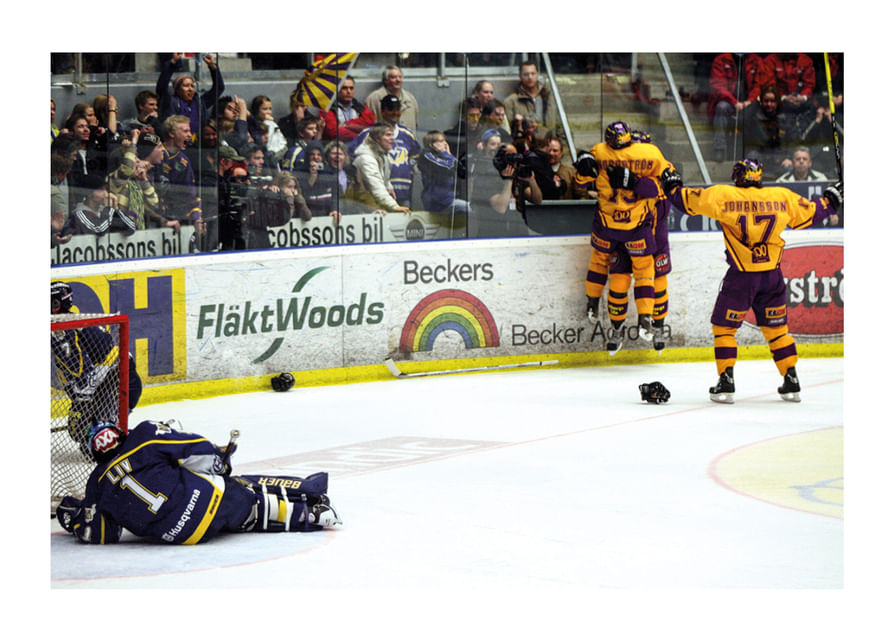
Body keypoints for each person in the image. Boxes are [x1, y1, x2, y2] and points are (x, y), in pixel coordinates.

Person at [660, 158, 842, 403]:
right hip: (772, 276)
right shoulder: (781, 195)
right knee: (777, 330)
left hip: (742, 276)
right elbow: (811, 214)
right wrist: (830, 201)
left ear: (738, 177)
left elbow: (688, 202)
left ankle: (726, 382)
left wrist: (672, 188)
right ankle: (791, 380)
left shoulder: (725, 195)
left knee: (724, 328)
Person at [55, 417, 342, 545]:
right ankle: (312, 513)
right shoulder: (142, 436)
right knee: (243, 499)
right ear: (120, 433)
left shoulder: (96, 483)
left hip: (181, 537)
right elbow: (197, 449)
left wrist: (74, 515)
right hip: (210, 501)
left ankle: (306, 510)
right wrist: (221, 461)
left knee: (233, 509)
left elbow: (100, 534)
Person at [574, 120, 675, 342]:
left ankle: (651, 324)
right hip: (639, 230)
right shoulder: (652, 159)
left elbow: (582, 181)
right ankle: (636, 323)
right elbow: (665, 188)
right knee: (634, 276)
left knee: (639, 276)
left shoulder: (604, 153)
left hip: (627, 228)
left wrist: (635, 181)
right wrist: (583, 162)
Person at [51, 281, 142, 452]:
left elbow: (82, 374)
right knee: (84, 433)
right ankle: (109, 427)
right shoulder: (70, 321)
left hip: (119, 381)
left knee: (100, 447)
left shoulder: (63, 329)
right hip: (116, 378)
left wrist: (82, 403)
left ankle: (129, 440)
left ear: (58, 303)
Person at [349, 95, 420, 207]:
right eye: (391, 109)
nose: (395, 113)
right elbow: (352, 154)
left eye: (397, 109)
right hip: (377, 191)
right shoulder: (368, 134)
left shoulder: (407, 134)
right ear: (383, 111)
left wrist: (409, 165)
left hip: (404, 190)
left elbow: (416, 153)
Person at [106, 130, 176, 232]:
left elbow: (153, 204)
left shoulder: (136, 182)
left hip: (137, 236)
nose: (138, 162)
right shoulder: (115, 179)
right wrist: (134, 140)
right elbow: (127, 169)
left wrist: (144, 181)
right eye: (135, 159)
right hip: (118, 234)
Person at [156, 53, 224, 149]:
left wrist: (212, 67)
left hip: (198, 148)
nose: (190, 89)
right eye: (186, 86)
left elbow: (219, 88)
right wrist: (172, 63)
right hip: (176, 147)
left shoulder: (200, 102)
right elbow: (161, 88)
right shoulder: (170, 102)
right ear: (177, 89)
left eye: (192, 86)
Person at [156, 114, 204, 237]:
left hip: (173, 218)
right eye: (185, 131)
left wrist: (197, 217)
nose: (190, 135)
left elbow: (189, 194)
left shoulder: (184, 161)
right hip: (151, 215)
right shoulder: (154, 152)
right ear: (172, 133)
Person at [352, 124, 412, 214]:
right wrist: (394, 206)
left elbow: (384, 178)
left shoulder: (382, 155)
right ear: (377, 139)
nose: (392, 138)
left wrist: (388, 186)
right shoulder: (366, 158)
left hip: (373, 204)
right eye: (388, 135)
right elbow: (376, 186)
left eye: (392, 135)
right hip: (362, 207)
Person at [740, 85, 790, 178]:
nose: (769, 104)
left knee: (792, 166)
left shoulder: (784, 117)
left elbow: (792, 139)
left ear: (777, 102)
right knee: (751, 157)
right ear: (761, 102)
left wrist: (790, 158)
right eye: (766, 101)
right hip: (760, 156)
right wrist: (756, 102)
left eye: (772, 101)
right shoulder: (754, 117)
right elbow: (741, 118)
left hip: (780, 158)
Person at [503, 60, 562, 138]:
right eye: (526, 74)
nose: (530, 77)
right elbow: (508, 131)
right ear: (520, 76)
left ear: (538, 74)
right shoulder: (510, 102)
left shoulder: (550, 97)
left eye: (533, 74)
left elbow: (561, 127)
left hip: (550, 143)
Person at [67, 173, 137, 236]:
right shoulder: (79, 214)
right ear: (89, 194)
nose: (105, 193)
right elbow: (99, 230)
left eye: (106, 189)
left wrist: (117, 210)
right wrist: (109, 209)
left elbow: (131, 227)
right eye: (100, 190)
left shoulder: (106, 212)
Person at [418, 130, 469, 217]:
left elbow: (462, 172)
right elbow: (445, 168)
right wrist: (446, 154)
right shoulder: (426, 155)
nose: (445, 144)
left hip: (448, 199)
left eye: (445, 140)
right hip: (437, 201)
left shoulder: (445, 156)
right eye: (441, 141)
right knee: (468, 208)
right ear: (431, 144)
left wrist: (449, 155)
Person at [365, 65, 419, 133]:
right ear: (386, 80)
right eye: (394, 77)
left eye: (400, 77)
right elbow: (368, 125)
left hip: (407, 141)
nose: (398, 80)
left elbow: (415, 124)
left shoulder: (410, 99)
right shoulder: (374, 99)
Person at [322, 75, 376, 142]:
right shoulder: (328, 108)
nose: (349, 91)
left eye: (351, 88)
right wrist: (359, 136)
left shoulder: (360, 107)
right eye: (344, 88)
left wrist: (346, 125)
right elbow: (334, 132)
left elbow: (370, 123)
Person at [248, 94, 288, 164]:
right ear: (257, 110)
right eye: (265, 109)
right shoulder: (252, 125)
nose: (269, 112)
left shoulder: (272, 124)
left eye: (270, 109)